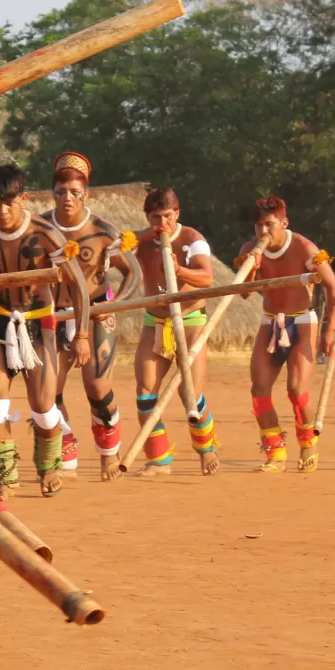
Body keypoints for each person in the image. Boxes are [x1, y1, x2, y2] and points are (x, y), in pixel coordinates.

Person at [0, 165, 90, 499]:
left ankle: (49, 466)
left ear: (24, 198)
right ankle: (3, 478)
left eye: (8, 203)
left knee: (43, 406)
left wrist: (82, 335)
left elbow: (79, 286)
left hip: (40, 322)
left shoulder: (46, 235)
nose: (2, 211)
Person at [40, 151, 140, 481]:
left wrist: (113, 306)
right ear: (52, 194)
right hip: (53, 315)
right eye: (60, 192)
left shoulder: (103, 231)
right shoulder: (40, 229)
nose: (67, 198)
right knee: (48, 391)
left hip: (96, 312)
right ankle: (65, 444)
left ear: (86, 194)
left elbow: (133, 272)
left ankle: (109, 453)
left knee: (97, 386)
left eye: (74, 192)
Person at [238, 196, 335, 473]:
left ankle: (308, 443)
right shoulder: (249, 249)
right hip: (269, 321)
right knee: (259, 389)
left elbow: (333, 287)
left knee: (296, 390)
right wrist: (252, 269)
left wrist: (332, 330)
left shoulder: (305, 248)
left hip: (302, 321)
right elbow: (244, 293)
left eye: (269, 225)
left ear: (284, 223)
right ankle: (276, 452)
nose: (263, 232)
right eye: (259, 226)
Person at [131, 187, 218, 477]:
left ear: (177, 213)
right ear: (147, 217)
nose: (162, 224)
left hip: (190, 320)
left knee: (190, 392)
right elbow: (117, 261)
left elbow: (206, 277)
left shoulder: (193, 239)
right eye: (156, 218)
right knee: (145, 393)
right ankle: (159, 460)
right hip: (155, 321)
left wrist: (179, 271)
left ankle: (206, 449)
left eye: (167, 216)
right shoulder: (141, 241)